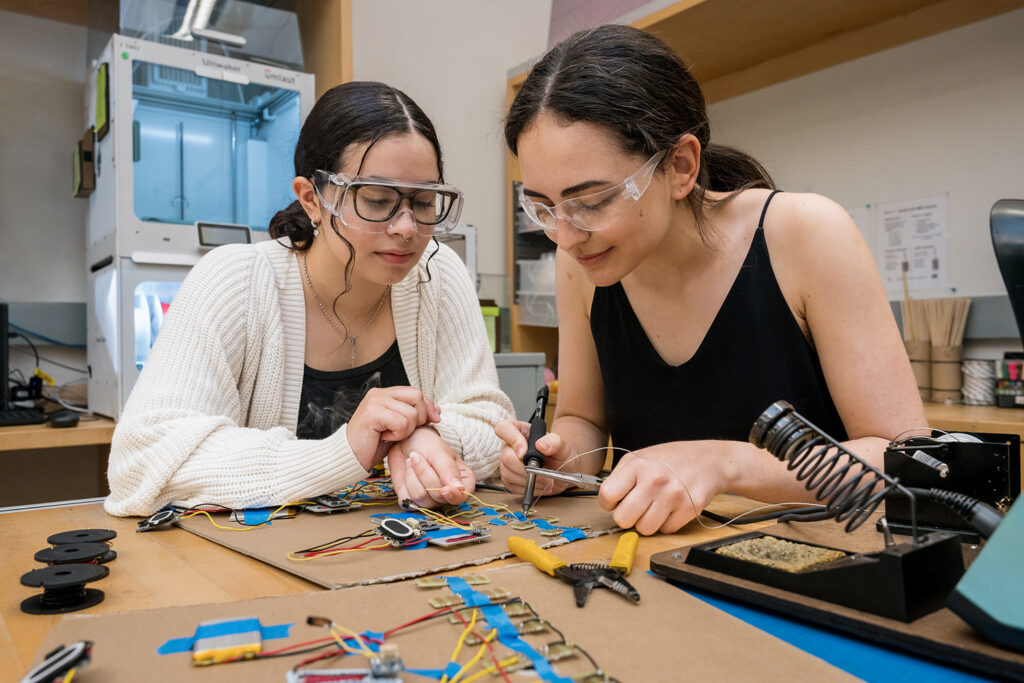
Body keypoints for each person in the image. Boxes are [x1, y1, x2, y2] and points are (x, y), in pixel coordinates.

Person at [496, 25, 925, 535]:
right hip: (657, 565)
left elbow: (904, 462)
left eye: (591, 202)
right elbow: (583, 421)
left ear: (680, 165)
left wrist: (726, 465)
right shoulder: (583, 263)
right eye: (544, 207)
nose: (565, 237)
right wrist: (559, 458)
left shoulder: (806, 234)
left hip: (813, 557)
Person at [106, 81, 514, 517]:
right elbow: (139, 464)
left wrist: (422, 434)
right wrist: (343, 452)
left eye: (425, 201)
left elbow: (494, 425)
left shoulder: (436, 273)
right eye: (376, 201)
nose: (407, 228)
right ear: (311, 199)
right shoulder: (236, 282)